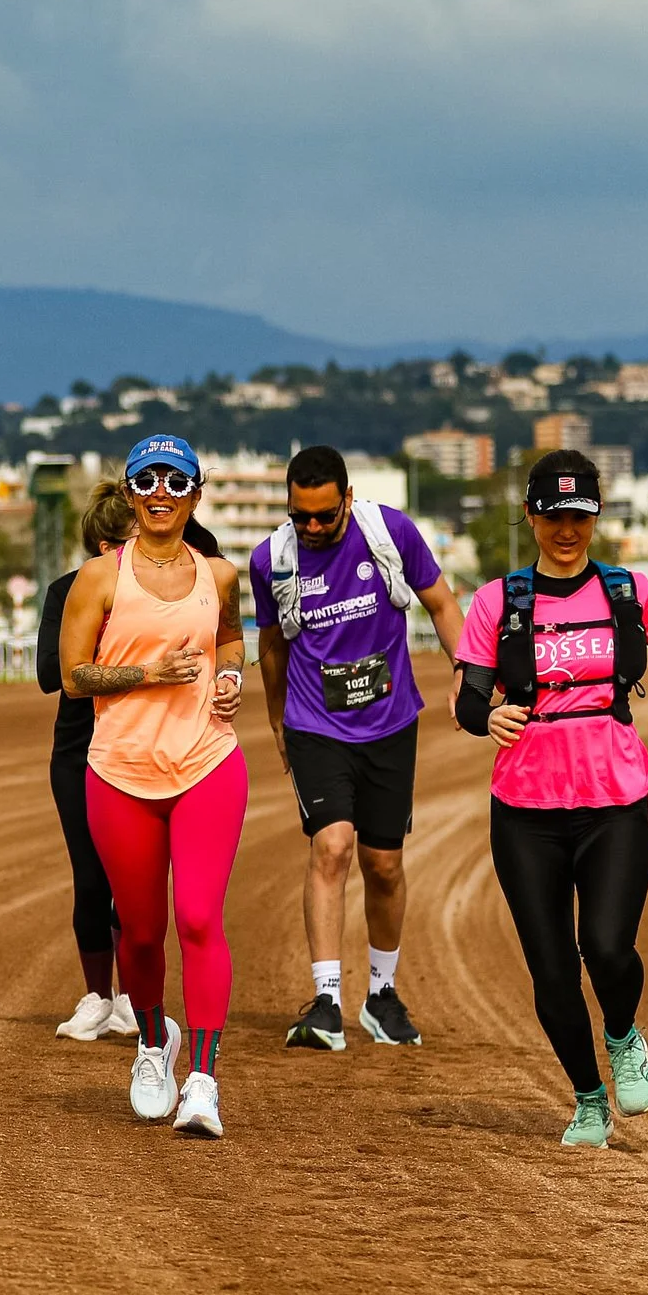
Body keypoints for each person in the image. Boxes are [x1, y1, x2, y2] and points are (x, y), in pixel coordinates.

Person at [453, 450, 648, 1148]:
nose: (567, 528)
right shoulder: (497, 602)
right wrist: (486, 718)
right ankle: (588, 1096)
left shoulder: (629, 591)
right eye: (554, 514)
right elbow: (471, 695)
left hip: (614, 796)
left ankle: (623, 1034)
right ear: (531, 515)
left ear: (595, 517)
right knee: (553, 968)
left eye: (580, 515)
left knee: (607, 946)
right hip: (525, 810)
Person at [58, 434, 248, 1139]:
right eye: (148, 481)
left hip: (207, 764)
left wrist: (229, 676)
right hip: (119, 772)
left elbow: (229, 639)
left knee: (198, 917)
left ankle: (202, 1080)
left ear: (196, 493)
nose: (162, 492)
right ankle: (150, 1044)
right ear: (132, 495)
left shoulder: (220, 576)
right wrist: (146, 676)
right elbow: (74, 675)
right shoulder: (99, 579)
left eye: (176, 481)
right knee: (139, 932)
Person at [252, 445, 465, 1052]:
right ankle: (325, 1001)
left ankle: (382, 994)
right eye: (301, 517)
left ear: (347, 499)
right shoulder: (273, 560)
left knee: (384, 865)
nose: (313, 528)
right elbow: (271, 642)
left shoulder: (389, 532)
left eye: (324, 516)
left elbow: (443, 604)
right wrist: (275, 718)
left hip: (392, 724)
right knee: (332, 846)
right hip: (315, 725)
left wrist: (466, 672)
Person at [37, 481, 138, 1042]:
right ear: (104, 548)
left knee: (137, 881)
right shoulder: (64, 592)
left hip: (143, 748)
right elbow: (54, 675)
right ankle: (99, 996)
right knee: (91, 878)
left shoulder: (160, 591)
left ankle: (134, 997)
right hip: (79, 754)